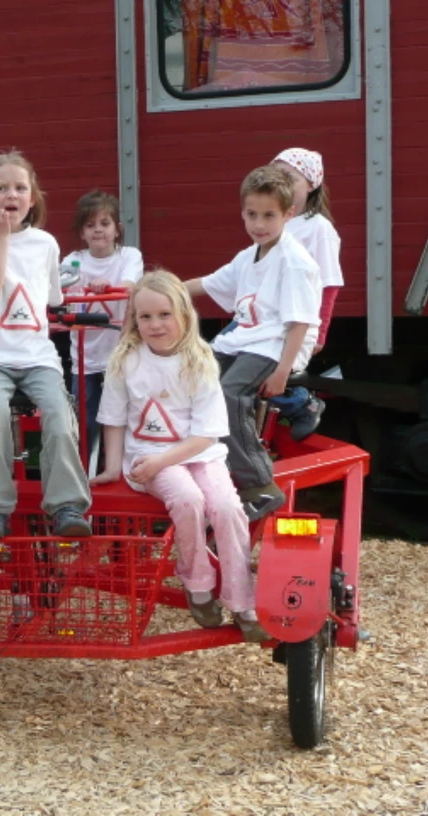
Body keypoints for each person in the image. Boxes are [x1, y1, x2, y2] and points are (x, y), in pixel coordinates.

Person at [91, 272, 266, 642]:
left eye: (164, 314)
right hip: (147, 455)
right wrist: (111, 468)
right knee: (188, 501)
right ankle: (198, 583)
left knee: (227, 507)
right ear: (134, 320)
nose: (155, 325)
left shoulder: (199, 361)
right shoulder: (126, 361)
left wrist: (163, 462)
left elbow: (207, 433)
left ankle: (242, 600)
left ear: (184, 315)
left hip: (199, 453)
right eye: (145, 317)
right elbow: (114, 419)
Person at [0, 152, 92, 540]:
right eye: (1, 188)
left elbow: (52, 298)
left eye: (19, 188)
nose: (10, 194)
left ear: (32, 199)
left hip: (35, 355)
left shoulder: (45, 243)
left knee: (60, 416)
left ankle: (67, 504)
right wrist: (1, 239)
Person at [184, 165, 322, 521]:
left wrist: (282, 371)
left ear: (288, 214)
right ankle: (206, 467)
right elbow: (211, 282)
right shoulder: (250, 255)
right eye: (252, 214)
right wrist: (161, 289)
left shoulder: (294, 261)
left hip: (276, 345)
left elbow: (299, 322)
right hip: (246, 337)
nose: (259, 224)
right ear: (242, 211)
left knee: (228, 395)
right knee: (193, 380)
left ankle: (260, 485)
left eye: (269, 216)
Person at [267, 147, 343, 440]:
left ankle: (301, 403)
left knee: (257, 369)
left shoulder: (317, 228)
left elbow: (329, 283)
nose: (280, 183)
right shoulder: (274, 222)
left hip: (295, 321)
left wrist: (320, 332)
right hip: (266, 317)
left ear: (310, 185)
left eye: (288, 177)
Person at [62, 190, 144, 454]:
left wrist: (110, 286)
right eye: (90, 225)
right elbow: (65, 294)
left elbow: (130, 285)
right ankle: (84, 468)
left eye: (104, 223)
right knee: (85, 417)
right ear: (82, 233)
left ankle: (120, 465)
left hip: (120, 351)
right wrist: (87, 288)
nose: (98, 230)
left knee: (123, 413)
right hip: (85, 355)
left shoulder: (129, 256)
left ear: (117, 229)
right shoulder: (74, 260)